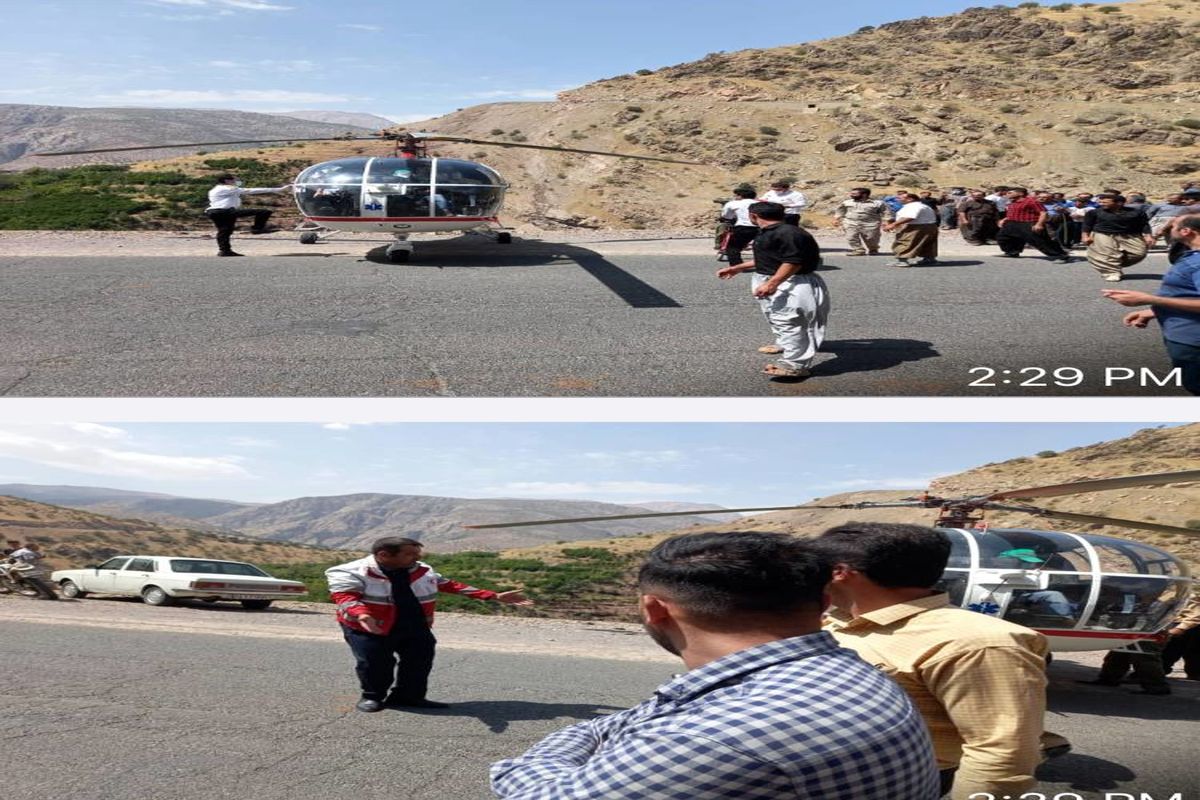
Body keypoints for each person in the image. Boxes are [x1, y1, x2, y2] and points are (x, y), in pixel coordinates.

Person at [490, 531, 941, 800]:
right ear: (824, 601)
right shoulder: (843, 669)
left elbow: (539, 791)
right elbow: (628, 721)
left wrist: (537, 757)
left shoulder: (717, 737)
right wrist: (591, 734)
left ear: (654, 610)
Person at [814, 522, 1050, 800]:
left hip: (897, 782)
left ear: (839, 572)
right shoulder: (839, 621)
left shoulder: (976, 643)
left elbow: (1002, 752)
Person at [326, 537, 532, 712]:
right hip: (369, 626)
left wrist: (493, 596)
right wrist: (362, 615)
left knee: (419, 659)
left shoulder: (422, 570)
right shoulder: (349, 572)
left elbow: (449, 585)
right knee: (375, 661)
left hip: (414, 623)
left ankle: (408, 696)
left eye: (418, 554)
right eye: (410, 554)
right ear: (384, 555)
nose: (418, 558)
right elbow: (345, 597)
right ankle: (373, 696)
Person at [716, 202, 830, 379]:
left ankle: (795, 363)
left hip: (791, 281)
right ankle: (785, 344)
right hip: (773, 279)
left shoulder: (789, 233)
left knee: (790, 321)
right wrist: (737, 268)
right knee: (775, 317)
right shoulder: (770, 232)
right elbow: (771, 257)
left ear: (753, 217)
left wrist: (772, 283)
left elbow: (793, 261)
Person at [1104, 214, 1200, 395]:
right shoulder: (1192, 257)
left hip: (1192, 341)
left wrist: (1151, 299)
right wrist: (1154, 311)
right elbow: (1190, 293)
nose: (1169, 230)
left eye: (1172, 226)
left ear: (1186, 231)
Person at [205, 173, 292, 257]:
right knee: (264, 212)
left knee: (225, 231)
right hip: (223, 211)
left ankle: (224, 251)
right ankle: (257, 228)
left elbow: (238, 186)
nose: (235, 181)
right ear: (226, 181)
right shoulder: (226, 189)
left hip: (216, 212)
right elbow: (249, 191)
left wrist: (237, 182)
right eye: (233, 180)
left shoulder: (220, 189)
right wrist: (279, 189)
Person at [1083, 194, 1155, 282]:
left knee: (1139, 253)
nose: (1101, 204)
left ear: (1119, 203)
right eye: (1100, 202)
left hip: (1130, 235)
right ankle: (1111, 272)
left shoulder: (1136, 212)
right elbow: (1087, 225)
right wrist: (1085, 236)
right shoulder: (1094, 212)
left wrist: (1148, 236)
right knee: (1107, 254)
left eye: (1105, 202)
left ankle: (1114, 264)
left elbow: (1144, 224)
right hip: (1103, 234)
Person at [996, 188, 1073, 263]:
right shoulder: (1012, 202)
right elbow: (1012, 213)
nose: (1007, 194)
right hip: (1012, 223)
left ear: (1020, 193)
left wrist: (1039, 224)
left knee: (1040, 241)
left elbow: (1043, 213)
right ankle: (1012, 252)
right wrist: (1004, 219)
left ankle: (1061, 256)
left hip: (1028, 224)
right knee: (1003, 237)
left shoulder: (1031, 201)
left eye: (1010, 192)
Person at [883, 191, 939, 267]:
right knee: (927, 243)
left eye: (900, 198)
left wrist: (893, 224)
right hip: (930, 226)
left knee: (905, 242)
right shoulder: (923, 206)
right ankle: (929, 259)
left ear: (910, 199)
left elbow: (910, 217)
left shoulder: (913, 206)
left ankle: (903, 261)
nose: (898, 200)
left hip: (916, 227)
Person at [834, 187, 891, 256]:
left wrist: (887, 222)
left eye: (854, 194)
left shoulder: (877, 203)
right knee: (851, 237)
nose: (851, 195)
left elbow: (886, 212)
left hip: (870, 224)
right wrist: (836, 219)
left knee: (871, 238)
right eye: (851, 193)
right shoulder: (847, 202)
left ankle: (873, 249)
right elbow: (840, 211)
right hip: (851, 223)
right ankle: (858, 250)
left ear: (864, 195)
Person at [1161, 594, 1200, 680]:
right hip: (1169, 619)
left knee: (1179, 640)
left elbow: (1196, 615)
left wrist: (1181, 628)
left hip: (1188, 622)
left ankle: (1156, 672)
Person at [719, 186, 761, 264]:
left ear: (740, 196)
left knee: (733, 247)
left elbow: (726, 216)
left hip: (743, 227)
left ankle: (737, 265)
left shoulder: (733, 203)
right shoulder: (761, 203)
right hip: (762, 227)